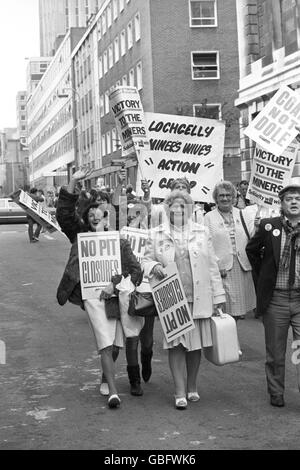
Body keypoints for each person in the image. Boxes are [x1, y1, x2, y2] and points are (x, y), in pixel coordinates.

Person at [56, 169, 143, 409]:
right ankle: (114, 392)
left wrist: (112, 284)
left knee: (115, 344)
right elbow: (64, 214)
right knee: (104, 342)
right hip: (91, 298)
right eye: (91, 214)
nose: (96, 218)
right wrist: (73, 180)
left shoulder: (119, 241)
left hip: (113, 297)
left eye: (101, 214)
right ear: (87, 217)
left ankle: (106, 376)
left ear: (108, 218)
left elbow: (136, 272)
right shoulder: (80, 234)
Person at [142, 190, 226, 409]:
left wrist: (218, 297)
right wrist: (155, 266)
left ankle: (192, 386)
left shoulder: (202, 232)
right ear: (167, 209)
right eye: (174, 206)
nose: (178, 209)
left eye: (182, 206)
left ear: (189, 209)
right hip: (172, 297)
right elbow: (145, 260)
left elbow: (212, 266)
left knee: (195, 346)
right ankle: (179, 391)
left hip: (198, 297)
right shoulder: (156, 233)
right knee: (176, 345)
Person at [246, 183, 300, 407]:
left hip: (299, 299)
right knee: (275, 353)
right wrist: (263, 280)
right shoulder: (270, 226)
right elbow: (251, 251)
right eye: (289, 199)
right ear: (282, 203)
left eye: (298, 198)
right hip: (276, 299)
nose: (295, 202)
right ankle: (276, 392)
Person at [204, 181, 256, 344]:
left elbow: (253, 237)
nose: (225, 198)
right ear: (216, 199)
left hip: (242, 266)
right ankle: (224, 340)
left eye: (228, 195)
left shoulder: (243, 214)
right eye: (221, 195)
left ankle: (229, 339)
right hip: (222, 268)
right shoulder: (208, 217)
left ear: (234, 197)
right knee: (224, 305)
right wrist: (216, 265)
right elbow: (206, 243)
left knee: (238, 308)